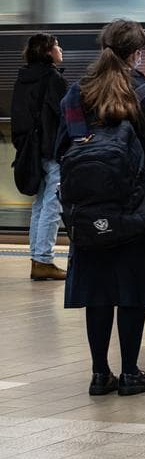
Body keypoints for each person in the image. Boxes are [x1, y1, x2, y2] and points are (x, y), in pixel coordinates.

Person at [60, 19, 145, 397]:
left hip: (87, 211)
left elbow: (64, 147)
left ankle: (100, 374)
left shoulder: (76, 94)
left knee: (96, 291)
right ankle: (130, 373)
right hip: (136, 212)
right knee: (132, 290)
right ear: (137, 53)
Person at [11, 33, 69, 281]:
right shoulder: (53, 78)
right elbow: (63, 115)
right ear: (47, 52)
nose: (60, 49)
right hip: (52, 149)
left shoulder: (22, 78)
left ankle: (37, 257)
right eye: (56, 46)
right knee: (53, 204)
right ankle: (43, 259)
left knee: (40, 203)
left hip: (32, 150)